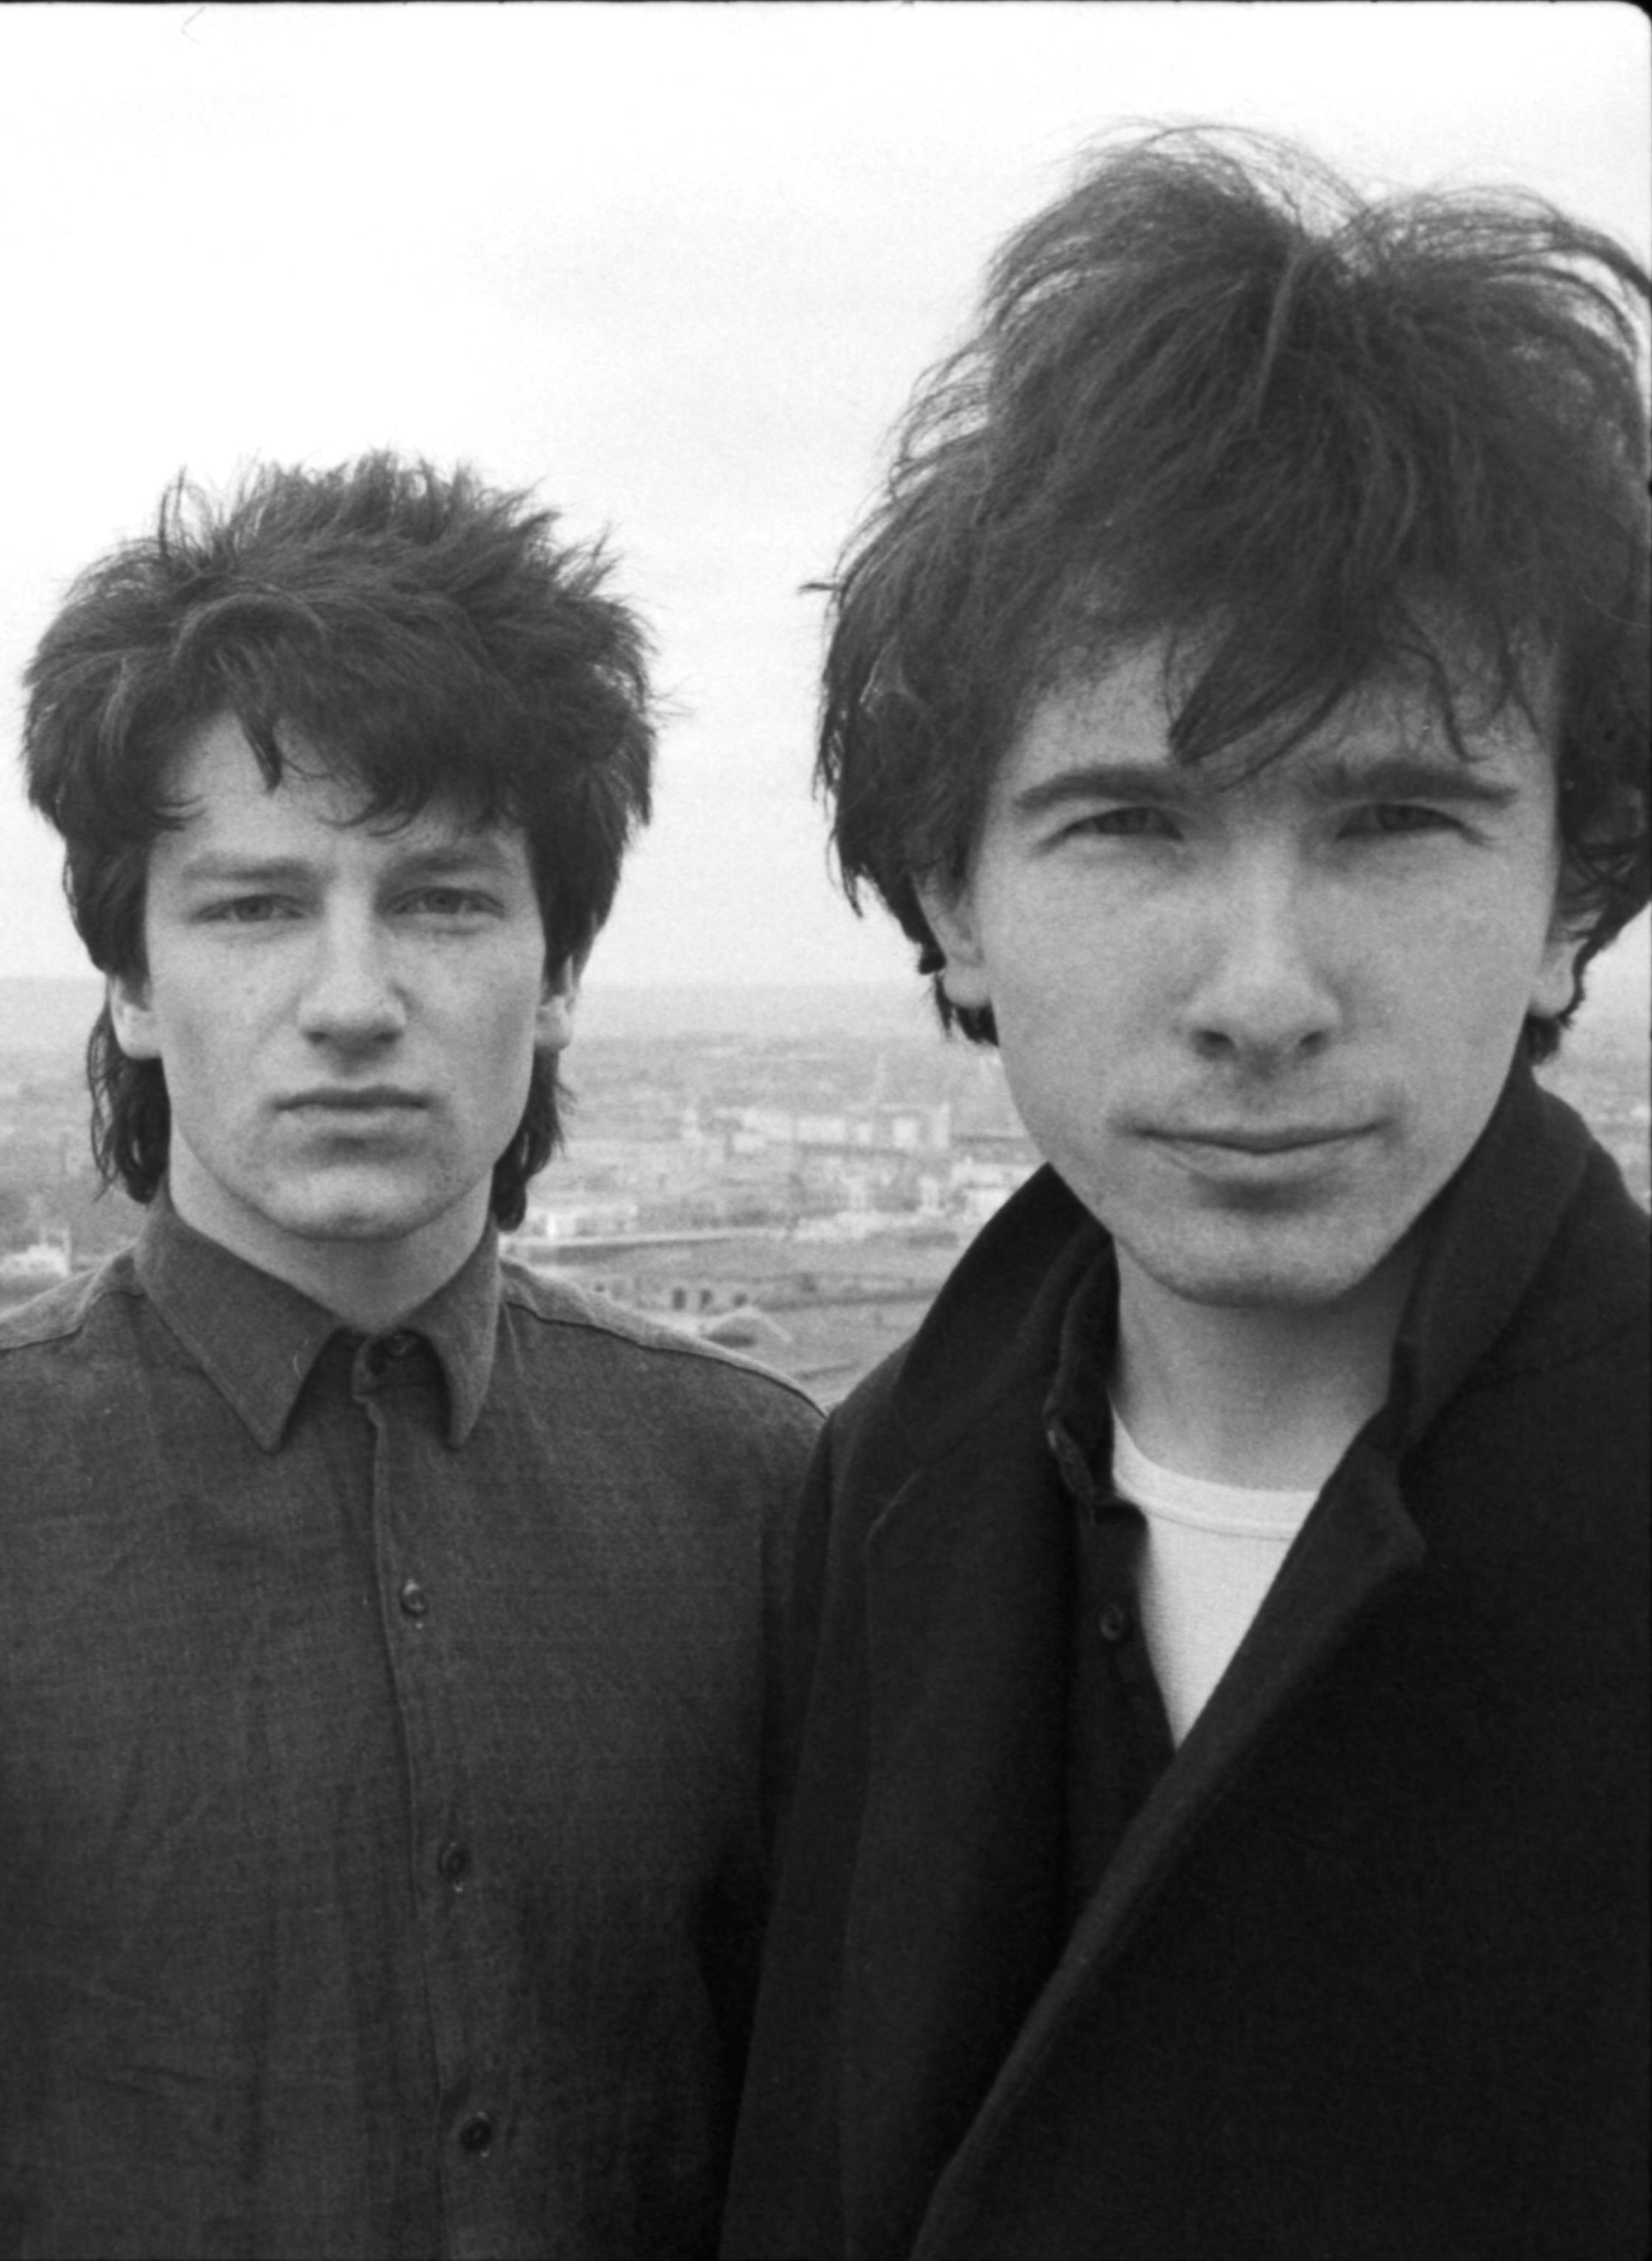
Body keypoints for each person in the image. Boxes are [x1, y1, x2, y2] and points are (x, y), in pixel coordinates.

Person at [0, 452, 824, 2257]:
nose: (350, 1002)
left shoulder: (754, 1490)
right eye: (254, 907)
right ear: (128, 980)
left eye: (442, 900)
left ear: (560, 972)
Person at [723, 131, 1650, 2259]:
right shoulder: (875, 1496)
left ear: (1565, 897)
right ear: (950, 901)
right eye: (1129, 826)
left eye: (1393, 820)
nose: (1258, 994)